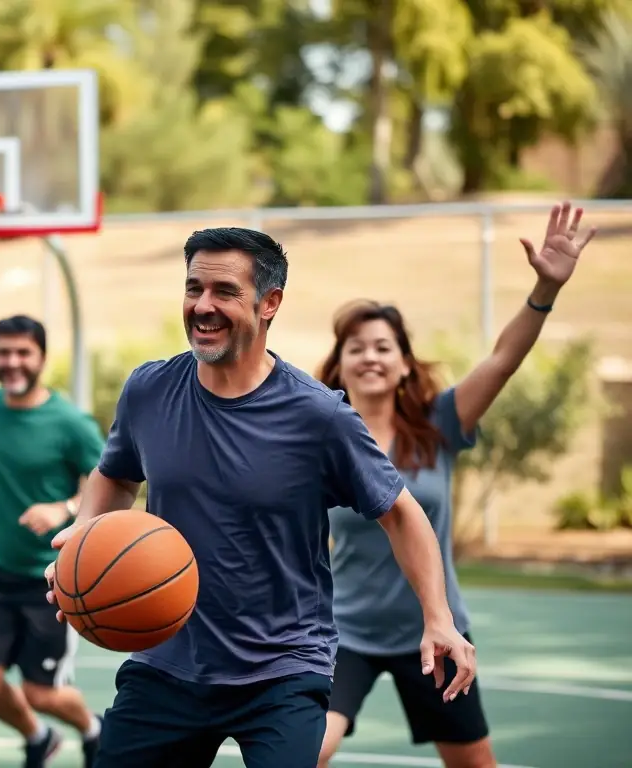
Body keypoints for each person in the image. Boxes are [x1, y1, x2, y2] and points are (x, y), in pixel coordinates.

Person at [44, 227, 478, 768]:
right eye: (193, 288)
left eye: (224, 292)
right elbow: (116, 475)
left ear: (269, 302)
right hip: (168, 663)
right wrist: (84, 538)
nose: (203, 306)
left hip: (281, 670)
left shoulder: (318, 416)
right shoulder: (148, 390)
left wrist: (438, 617)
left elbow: (401, 513)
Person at [316, 201, 597, 768]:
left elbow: (502, 360)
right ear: (339, 365)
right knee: (307, 752)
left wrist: (544, 290)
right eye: (356, 347)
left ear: (403, 365)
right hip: (345, 634)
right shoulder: (321, 436)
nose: (370, 356)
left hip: (437, 631)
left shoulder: (440, 425)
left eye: (382, 346)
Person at [0, 315, 106, 768]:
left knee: (40, 692)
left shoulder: (69, 422)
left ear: (42, 357)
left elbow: (109, 480)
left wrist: (61, 508)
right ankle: (39, 738)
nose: (12, 362)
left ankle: (93, 729)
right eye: (4, 352)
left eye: (23, 352)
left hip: (50, 579)